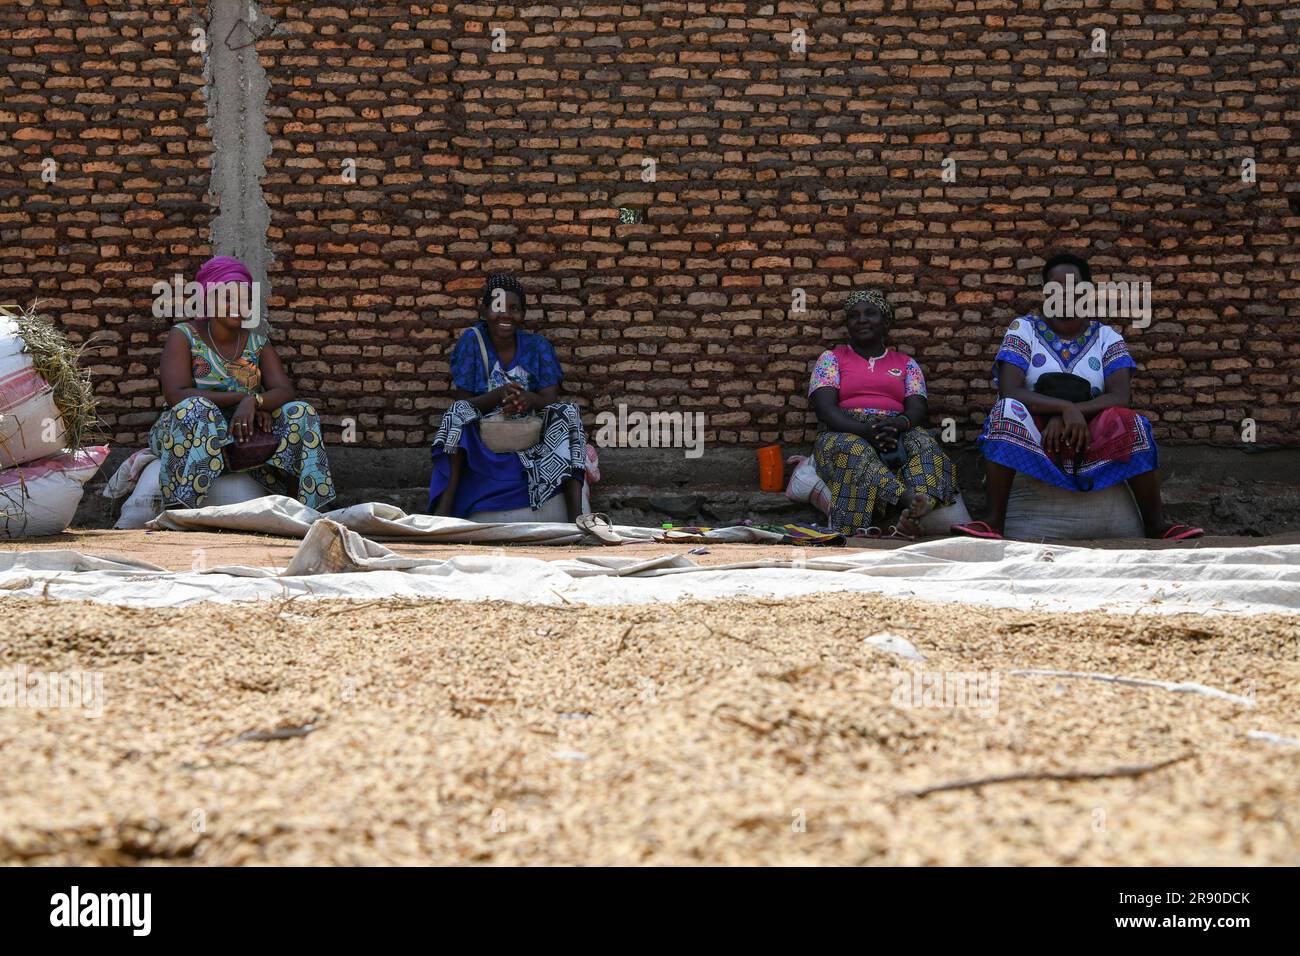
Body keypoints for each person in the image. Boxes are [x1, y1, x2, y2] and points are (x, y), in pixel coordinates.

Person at [952, 252, 1202, 540]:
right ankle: (993, 520)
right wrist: (1061, 410)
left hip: (1091, 435)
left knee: (1132, 423)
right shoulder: (1025, 329)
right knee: (1005, 411)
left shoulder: (1107, 337)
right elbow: (1010, 389)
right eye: (1055, 289)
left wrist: (1073, 413)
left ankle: (1156, 524)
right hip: (1037, 433)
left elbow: (1119, 396)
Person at [150, 255, 335, 510]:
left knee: (303, 413)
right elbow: (176, 394)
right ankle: (180, 509)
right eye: (228, 298)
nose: (238, 305)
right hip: (187, 433)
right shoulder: (184, 336)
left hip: (241, 436)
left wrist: (256, 401)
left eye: (245, 298)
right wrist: (241, 399)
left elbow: (284, 390)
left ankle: (306, 510)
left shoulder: (257, 343)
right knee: (197, 408)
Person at [429, 274, 586, 520]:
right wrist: (498, 396)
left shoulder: (537, 346)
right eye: (498, 308)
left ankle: (578, 517)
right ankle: (445, 508)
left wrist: (529, 400)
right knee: (456, 413)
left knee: (568, 413)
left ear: (523, 314)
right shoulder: (472, 342)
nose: (506, 316)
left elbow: (550, 399)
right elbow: (464, 402)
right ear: (484, 311)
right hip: (485, 437)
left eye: (515, 309)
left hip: (529, 434)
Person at [809, 289, 959, 538]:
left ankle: (917, 510)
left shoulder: (905, 363)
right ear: (847, 324)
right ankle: (907, 500)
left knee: (926, 445)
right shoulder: (832, 358)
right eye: (854, 316)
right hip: (844, 430)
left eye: (871, 313)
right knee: (855, 450)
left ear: (886, 321)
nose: (862, 320)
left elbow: (918, 407)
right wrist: (866, 431)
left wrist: (898, 424)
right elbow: (825, 409)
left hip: (896, 428)